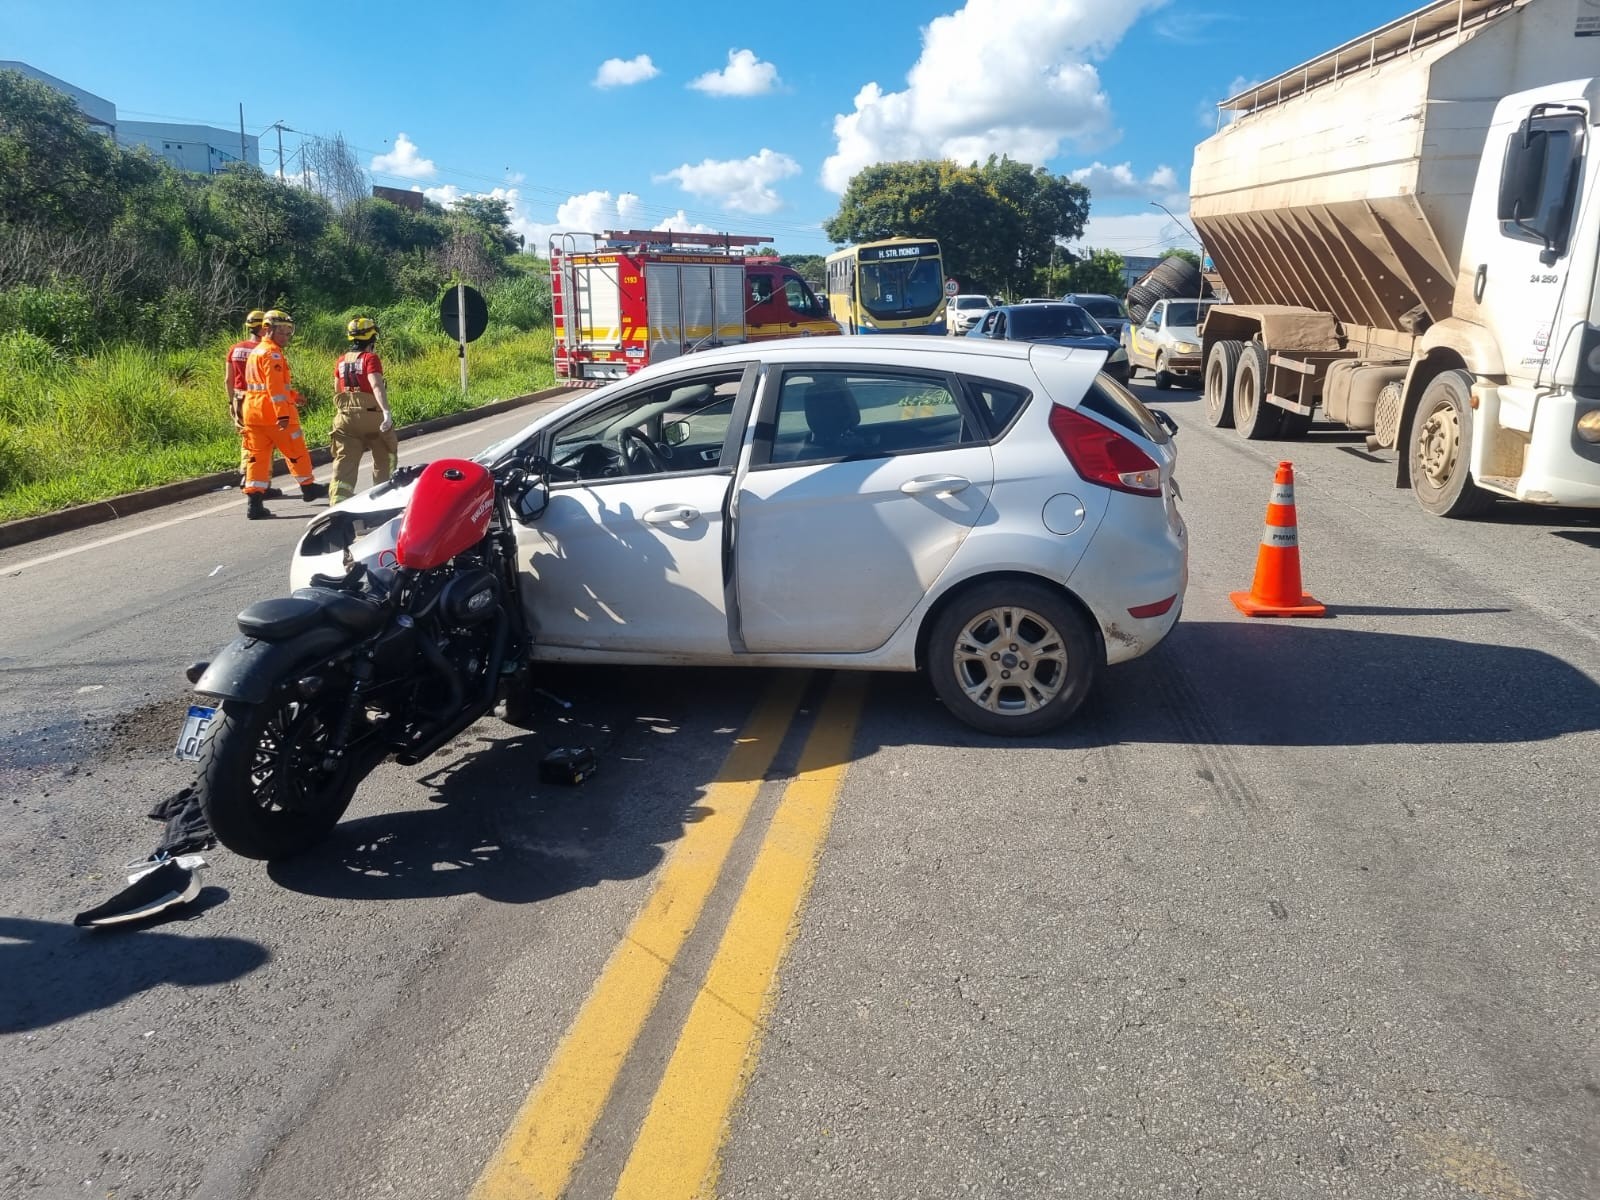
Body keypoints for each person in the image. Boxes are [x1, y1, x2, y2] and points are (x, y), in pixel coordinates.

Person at [240, 309, 325, 518]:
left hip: (253, 413)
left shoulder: (256, 351)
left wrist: (294, 395)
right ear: (268, 330)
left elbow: (263, 385)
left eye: (288, 332)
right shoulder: (272, 354)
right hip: (273, 414)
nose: (286, 337)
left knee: (257, 458)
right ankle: (308, 488)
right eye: (282, 332)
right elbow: (275, 388)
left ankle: (255, 504)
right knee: (296, 450)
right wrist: (283, 414)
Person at [329, 316, 397, 505]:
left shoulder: (341, 360)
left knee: (345, 462)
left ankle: (338, 502)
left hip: (345, 418)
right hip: (370, 416)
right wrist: (386, 412)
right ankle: (384, 497)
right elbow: (376, 385)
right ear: (372, 339)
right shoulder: (370, 358)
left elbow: (337, 388)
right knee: (386, 455)